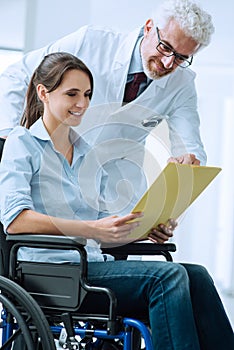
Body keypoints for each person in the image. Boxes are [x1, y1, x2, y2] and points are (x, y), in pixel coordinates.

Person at [0, 52, 233, 350]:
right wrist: (92, 230)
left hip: (90, 265)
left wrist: (144, 229)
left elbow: (101, 232)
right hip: (52, 273)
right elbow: (15, 220)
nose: (82, 104)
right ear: (43, 93)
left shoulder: (86, 152)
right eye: (72, 94)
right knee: (168, 277)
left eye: (87, 94)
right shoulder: (22, 143)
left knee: (197, 275)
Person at [0, 0, 215, 215]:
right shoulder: (91, 42)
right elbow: (17, 75)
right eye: (165, 47)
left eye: (181, 58)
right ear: (149, 28)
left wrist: (188, 163)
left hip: (115, 191)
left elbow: (191, 147)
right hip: (56, 172)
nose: (168, 63)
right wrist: (8, 136)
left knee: (108, 244)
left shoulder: (182, 84)